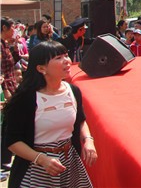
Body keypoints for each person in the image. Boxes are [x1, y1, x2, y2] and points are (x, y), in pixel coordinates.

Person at [2, 41, 97, 187]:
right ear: (41, 68)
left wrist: (88, 140)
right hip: (35, 167)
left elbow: (80, 120)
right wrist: (41, 159)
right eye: (58, 58)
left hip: (69, 161)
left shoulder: (73, 91)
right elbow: (12, 141)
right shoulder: (26, 98)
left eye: (66, 55)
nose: (67, 61)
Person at [1, 18, 18, 100]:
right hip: (6, 88)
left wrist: (15, 50)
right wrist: (5, 89)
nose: (14, 31)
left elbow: (10, 64)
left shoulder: (5, 44)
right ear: (4, 27)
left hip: (11, 84)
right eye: (13, 27)